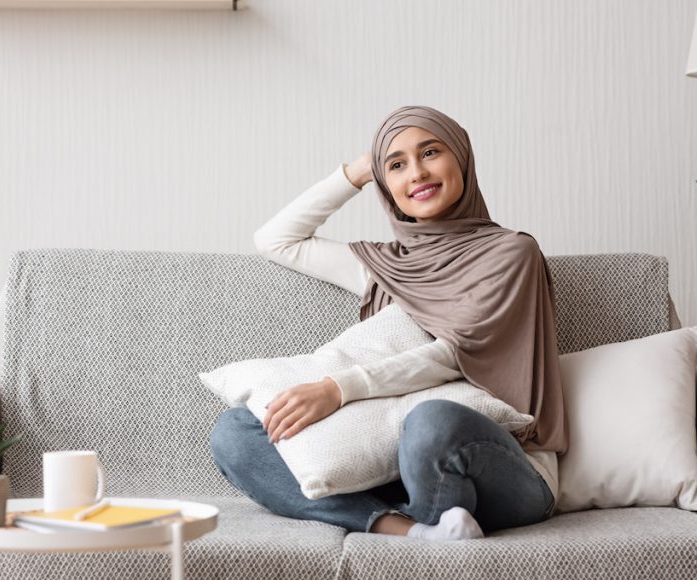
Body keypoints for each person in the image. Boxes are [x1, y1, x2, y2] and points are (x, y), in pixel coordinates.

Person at [210, 105, 567, 541]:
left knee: (431, 421)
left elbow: (456, 353)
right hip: (387, 470)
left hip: (505, 468)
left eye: (431, 152)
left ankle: (426, 520)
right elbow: (275, 239)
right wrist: (359, 171)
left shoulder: (511, 253)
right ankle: (408, 529)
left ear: (462, 158)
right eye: (396, 165)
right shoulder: (385, 266)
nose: (415, 173)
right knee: (237, 431)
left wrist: (337, 388)